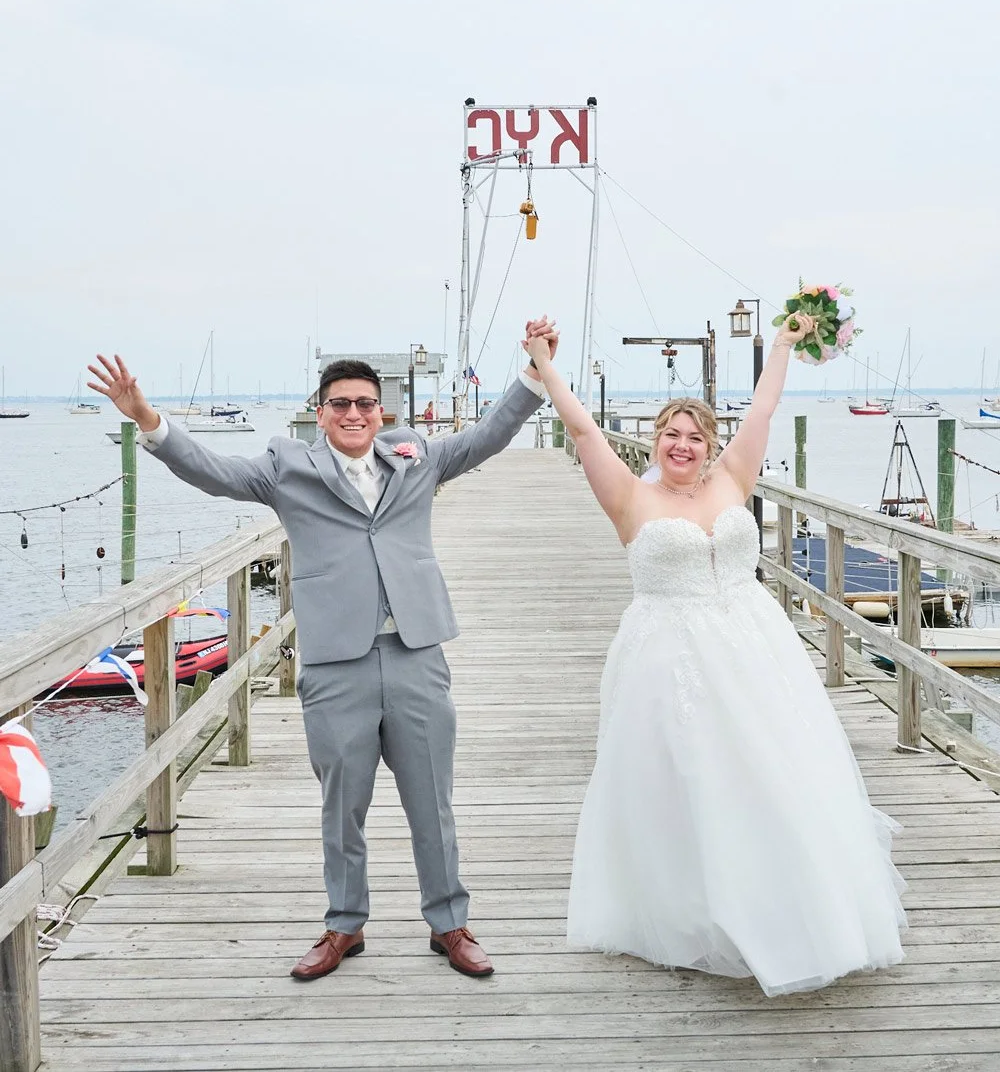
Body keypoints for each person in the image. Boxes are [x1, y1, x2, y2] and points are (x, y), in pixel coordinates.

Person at [88, 319, 557, 983]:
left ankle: (449, 922)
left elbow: (488, 437)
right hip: (337, 661)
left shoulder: (413, 454)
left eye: (365, 403)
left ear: (381, 412)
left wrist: (533, 373)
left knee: (434, 800)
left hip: (416, 652)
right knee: (343, 804)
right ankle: (345, 925)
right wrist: (149, 420)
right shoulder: (288, 468)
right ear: (321, 412)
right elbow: (215, 472)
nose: (355, 413)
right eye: (340, 403)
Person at [524, 314, 906, 997]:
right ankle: (694, 913)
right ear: (655, 441)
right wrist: (545, 366)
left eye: (694, 435)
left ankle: (790, 905)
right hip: (667, 654)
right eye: (670, 433)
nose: (682, 444)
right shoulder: (628, 497)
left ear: (710, 446)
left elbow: (763, 406)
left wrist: (783, 344)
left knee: (774, 773)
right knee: (689, 782)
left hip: (753, 645)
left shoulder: (735, 479)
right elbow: (582, 430)